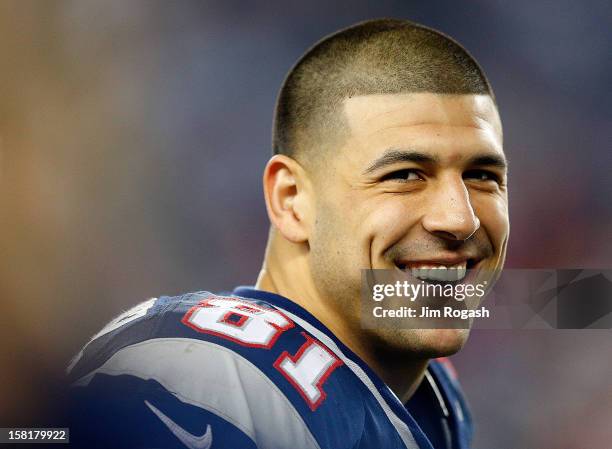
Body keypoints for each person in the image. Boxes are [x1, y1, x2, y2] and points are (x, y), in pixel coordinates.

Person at [67, 18, 509, 449]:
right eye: (406, 174)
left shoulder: (434, 396)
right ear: (291, 198)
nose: (460, 219)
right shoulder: (191, 378)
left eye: (482, 175)